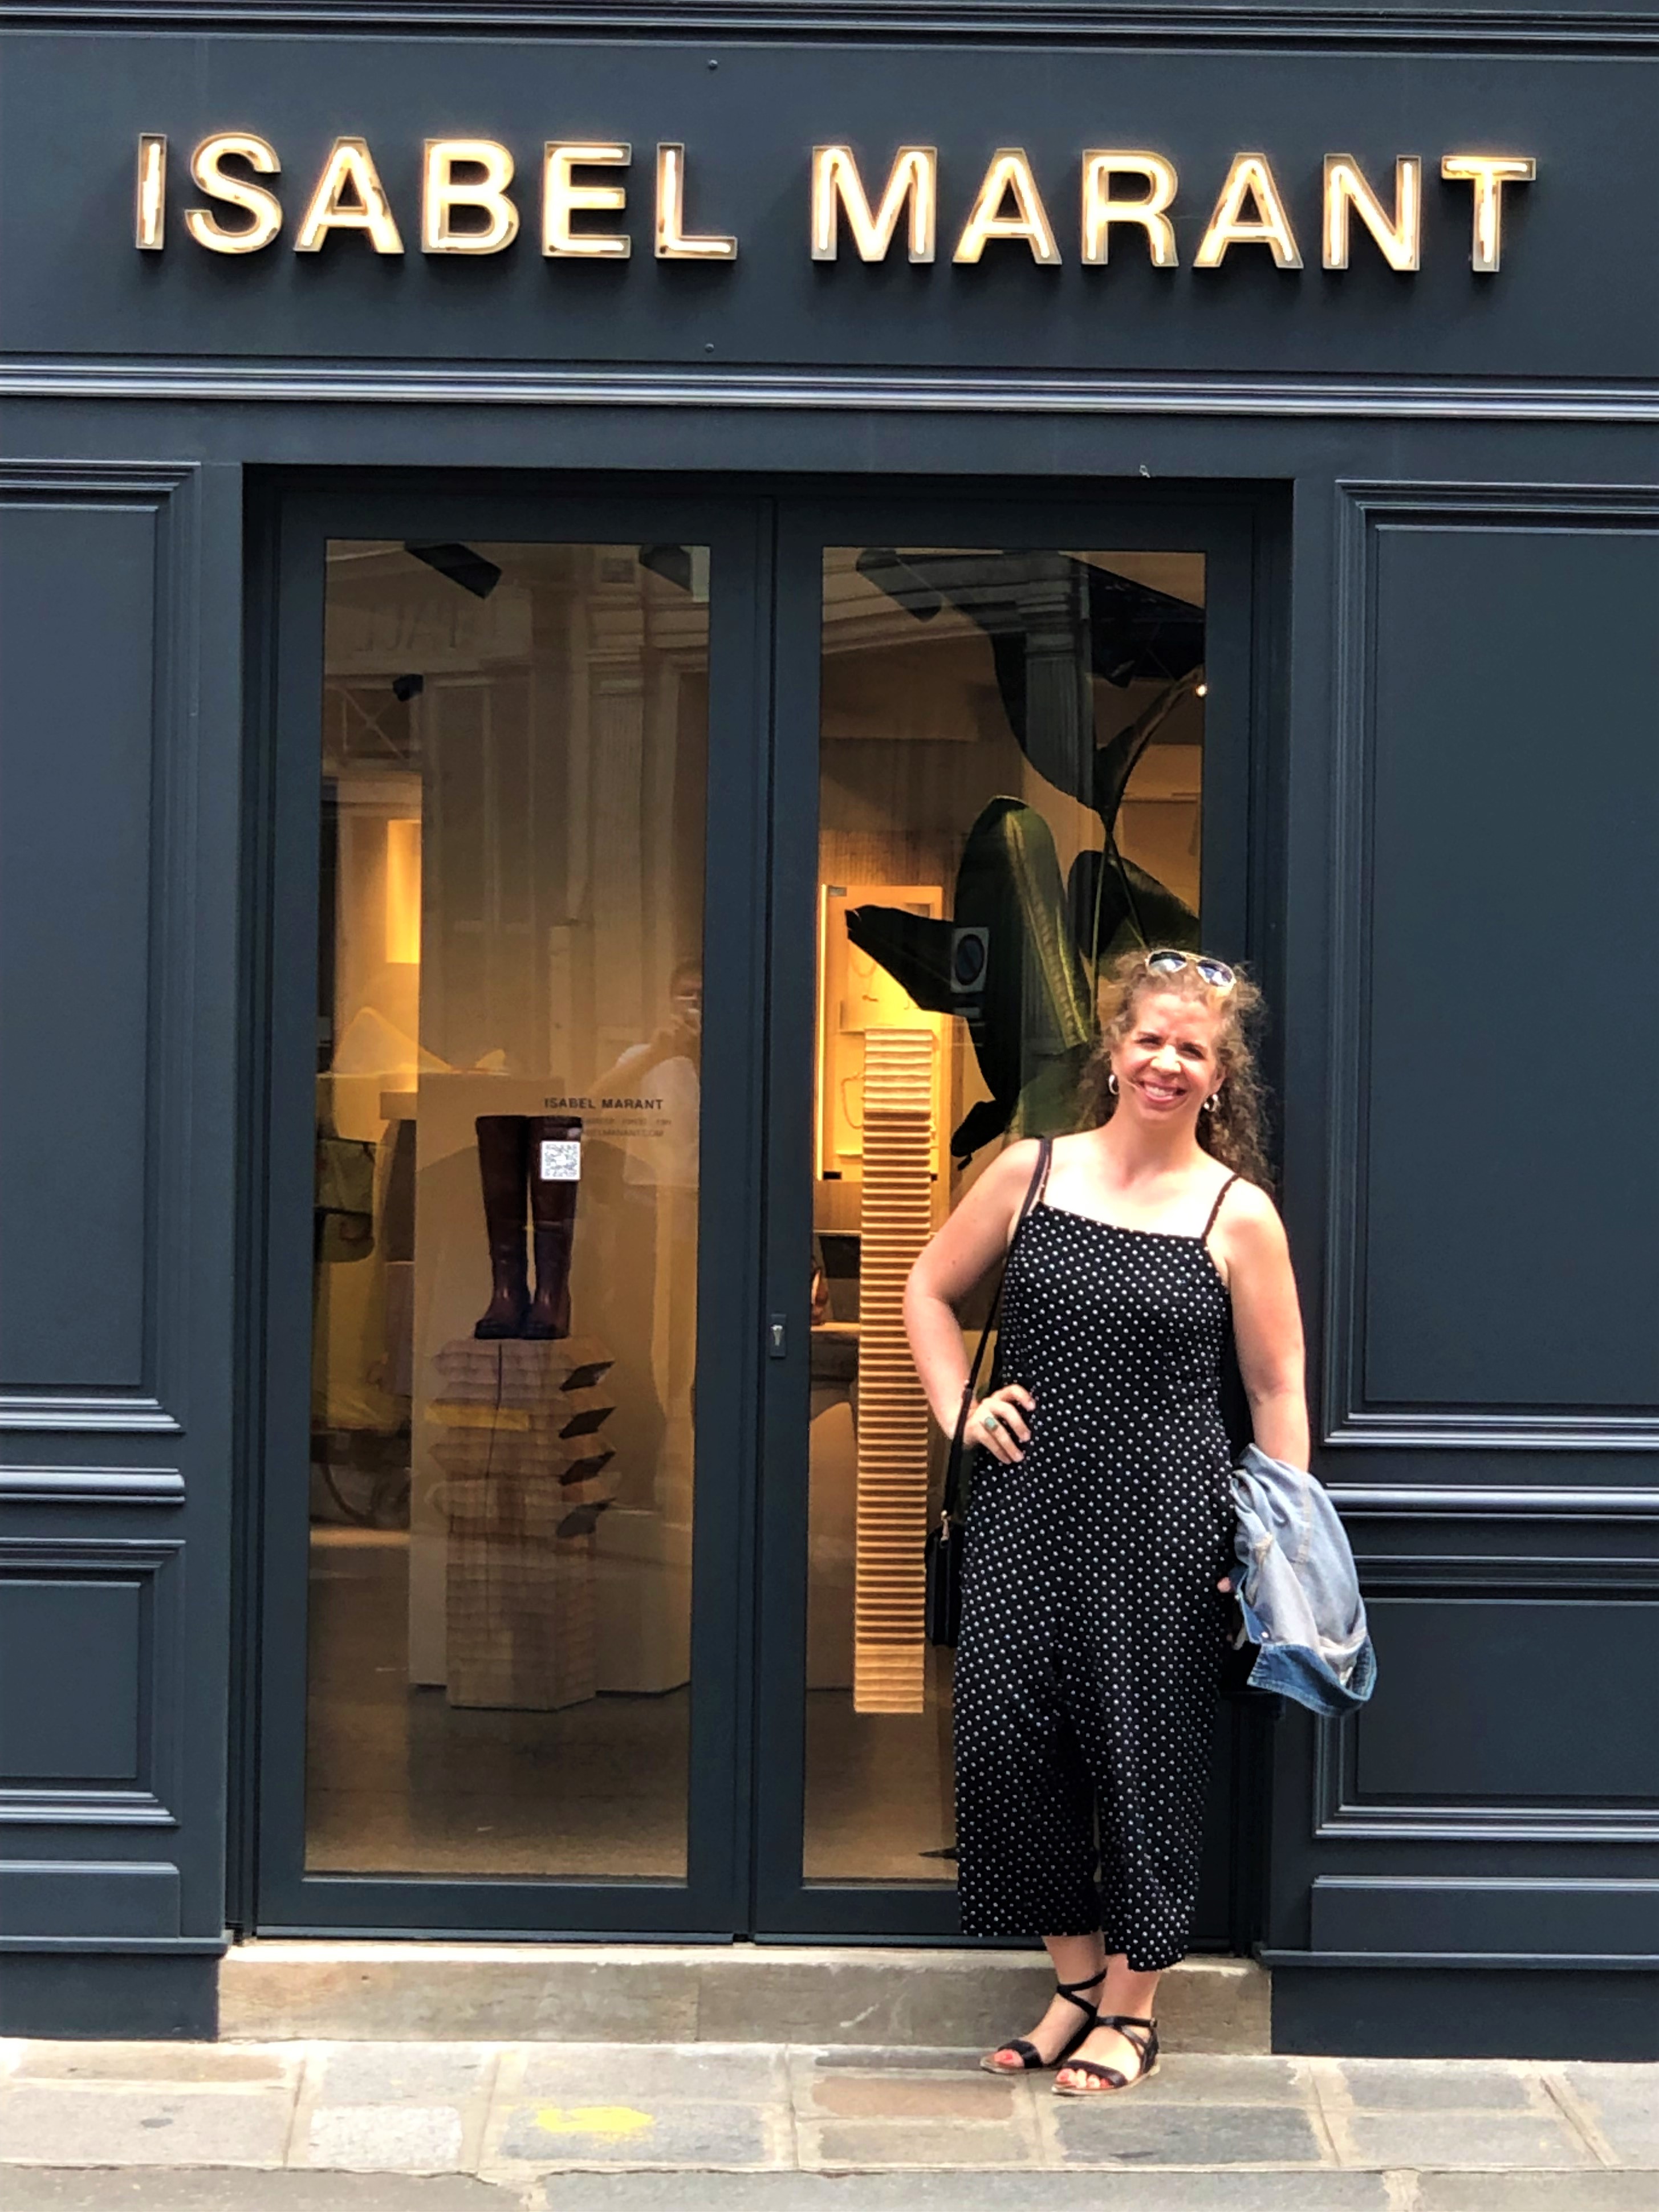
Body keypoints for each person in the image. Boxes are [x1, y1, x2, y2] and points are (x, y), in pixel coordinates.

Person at [903, 948, 1308, 2096]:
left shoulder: (1237, 1212)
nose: (1168, 1063)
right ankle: (1076, 1978)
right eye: (1151, 1040)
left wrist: (1266, 1550)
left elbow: (1277, 1388)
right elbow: (927, 1288)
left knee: (1145, 1757)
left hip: (1170, 1523)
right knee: (1004, 1744)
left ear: (1219, 1078)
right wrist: (960, 1407)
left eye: (1194, 1050)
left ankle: (1132, 2008)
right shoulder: (1029, 1170)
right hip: (1025, 1507)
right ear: (1115, 1051)